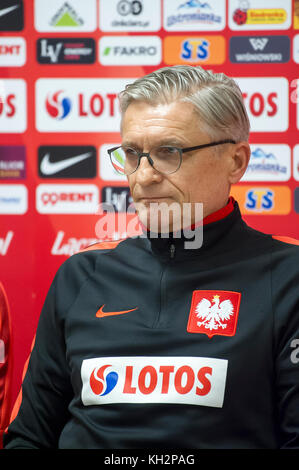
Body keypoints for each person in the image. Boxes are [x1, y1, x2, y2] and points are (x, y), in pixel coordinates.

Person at [4, 65, 299, 449]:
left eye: (168, 152)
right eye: (132, 154)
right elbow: (29, 437)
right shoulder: (82, 274)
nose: (143, 177)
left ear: (236, 162)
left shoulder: (288, 275)